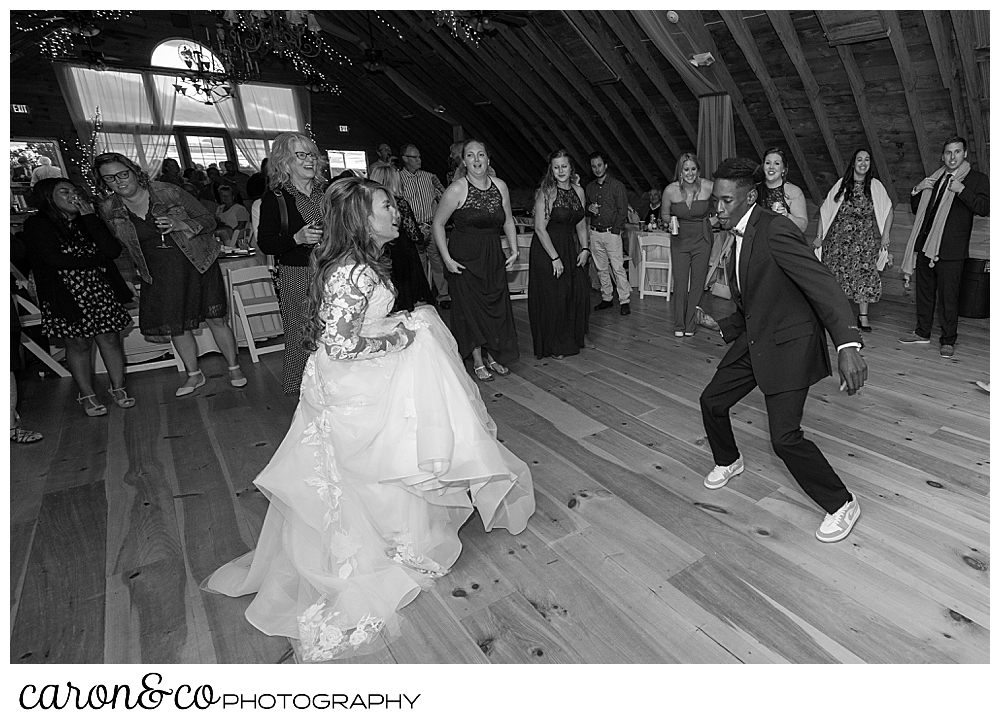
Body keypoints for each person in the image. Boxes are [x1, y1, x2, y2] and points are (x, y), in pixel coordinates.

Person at [203, 177, 535, 662]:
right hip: (353, 384)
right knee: (373, 463)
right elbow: (339, 345)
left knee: (388, 456)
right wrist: (399, 339)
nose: (396, 211)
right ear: (362, 218)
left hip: (363, 375)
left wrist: (393, 326)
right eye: (386, 205)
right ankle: (380, 547)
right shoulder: (353, 273)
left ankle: (397, 536)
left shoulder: (358, 265)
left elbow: (350, 328)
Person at [700, 158, 867, 543]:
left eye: (726, 201)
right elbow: (753, 301)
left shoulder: (776, 231)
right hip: (757, 336)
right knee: (711, 401)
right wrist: (723, 325)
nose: (719, 209)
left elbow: (822, 284)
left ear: (751, 197)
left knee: (784, 438)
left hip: (790, 343)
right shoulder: (736, 234)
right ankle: (729, 460)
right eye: (716, 201)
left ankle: (842, 503)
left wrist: (847, 344)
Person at [94, 153, 247, 397]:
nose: (119, 181)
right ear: (104, 183)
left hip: (198, 263)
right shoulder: (108, 208)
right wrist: (125, 276)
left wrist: (180, 225)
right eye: (110, 178)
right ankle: (194, 375)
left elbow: (208, 219)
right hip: (158, 272)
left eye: (123, 174)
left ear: (134, 171)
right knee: (177, 326)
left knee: (216, 318)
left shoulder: (168, 191)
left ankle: (234, 368)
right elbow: (120, 249)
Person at [23, 178, 135, 415]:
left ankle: (118, 388)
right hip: (64, 293)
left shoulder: (88, 221)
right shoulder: (37, 224)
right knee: (79, 344)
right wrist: (95, 260)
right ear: (48, 198)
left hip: (99, 289)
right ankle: (87, 394)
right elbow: (54, 259)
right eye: (65, 192)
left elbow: (112, 251)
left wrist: (90, 218)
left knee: (110, 340)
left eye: (75, 191)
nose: (73, 196)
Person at [433, 139, 520, 380]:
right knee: (470, 311)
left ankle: (493, 356)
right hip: (464, 258)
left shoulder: (500, 186)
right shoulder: (457, 189)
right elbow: (438, 224)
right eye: (470, 155)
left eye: (480, 155)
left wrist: (514, 250)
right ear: (464, 161)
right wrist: (447, 259)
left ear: (488, 159)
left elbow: (508, 220)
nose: (477, 160)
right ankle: (478, 360)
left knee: (495, 308)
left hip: (493, 255)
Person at [899, 136, 990, 358]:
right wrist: (917, 189)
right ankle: (922, 333)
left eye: (957, 152)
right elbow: (916, 209)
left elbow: (984, 208)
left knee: (949, 297)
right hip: (925, 246)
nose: (952, 157)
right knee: (924, 294)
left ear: (965, 154)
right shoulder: (935, 178)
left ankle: (948, 340)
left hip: (952, 250)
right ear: (943, 156)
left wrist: (962, 190)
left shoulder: (977, 179)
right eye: (948, 152)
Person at [256, 132, 327, 395]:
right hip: (297, 274)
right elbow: (266, 243)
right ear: (285, 161)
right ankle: (302, 390)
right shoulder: (275, 198)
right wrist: (296, 238)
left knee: (333, 331)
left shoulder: (326, 195)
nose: (309, 160)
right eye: (301, 155)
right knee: (302, 335)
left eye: (312, 154)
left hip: (331, 272)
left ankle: (332, 386)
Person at [816, 148, 893, 333]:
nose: (863, 163)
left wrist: (886, 235)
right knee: (836, 277)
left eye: (867, 160)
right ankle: (836, 316)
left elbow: (888, 209)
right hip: (839, 241)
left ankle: (863, 317)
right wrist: (819, 237)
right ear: (853, 163)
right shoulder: (842, 184)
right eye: (859, 159)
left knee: (864, 277)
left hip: (864, 242)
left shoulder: (875, 186)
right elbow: (825, 210)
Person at [527, 149, 590, 359]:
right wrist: (555, 258)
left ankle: (570, 338)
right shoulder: (546, 192)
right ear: (551, 170)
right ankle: (554, 345)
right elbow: (539, 228)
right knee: (554, 298)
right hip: (547, 249)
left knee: (573, 294)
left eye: (564, 166)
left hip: (569, 247)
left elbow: (581, 222)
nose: (561, 170)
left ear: (571, 168)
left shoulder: (579, 191)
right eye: (556, 167)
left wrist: (585, 248)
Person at [662, 153, 719, 337]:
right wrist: (670, 221)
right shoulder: (670, 190)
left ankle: (690, 325)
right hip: (680, 240)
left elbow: (726, 206)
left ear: (698, 170)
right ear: (680, 171)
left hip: (702, 240)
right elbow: (664, 214)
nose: (690, 173)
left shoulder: (709, 187)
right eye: (686, 169)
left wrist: (714, 221)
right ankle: (679, 325)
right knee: (680, 283)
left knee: (697, 283)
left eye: (693, 169)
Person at [367, 161, 435, 313]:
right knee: (410, 305)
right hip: (404, 257)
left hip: (380, 256)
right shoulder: (399, 204)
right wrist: (424, 232)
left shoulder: (367, 206)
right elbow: (415, 236)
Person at [399, 143, 450, 308]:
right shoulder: (399, 178)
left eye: (419, 157)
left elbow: (444, 197)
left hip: (432, 226)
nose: (419, 160)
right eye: (414, 157)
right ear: (405, 159)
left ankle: (444, 296)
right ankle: (424, 296)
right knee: (418, 264)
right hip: (413, 229)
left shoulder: (429, 177)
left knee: (437, 261)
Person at [585, 151, 631, 316]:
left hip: (611, 232)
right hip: (595, 232)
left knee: (618, 268)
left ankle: (624, 300)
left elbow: (622, 210)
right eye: (593, 166)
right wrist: (588, 210)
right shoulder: (589, 188)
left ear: (605, 165)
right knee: (601, 268)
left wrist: (615, 230)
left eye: (599, 165)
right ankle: (607, 298)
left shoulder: (616, 186)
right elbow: (586, 209)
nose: (597, 169)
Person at [756, 147, 808, 233]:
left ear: (783, 169)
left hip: (783, 242)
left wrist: (787, 216)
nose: (771, 167)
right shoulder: (755, 189)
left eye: (776, 163)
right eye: (768, 163)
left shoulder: (793, 191)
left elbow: (803, 227)